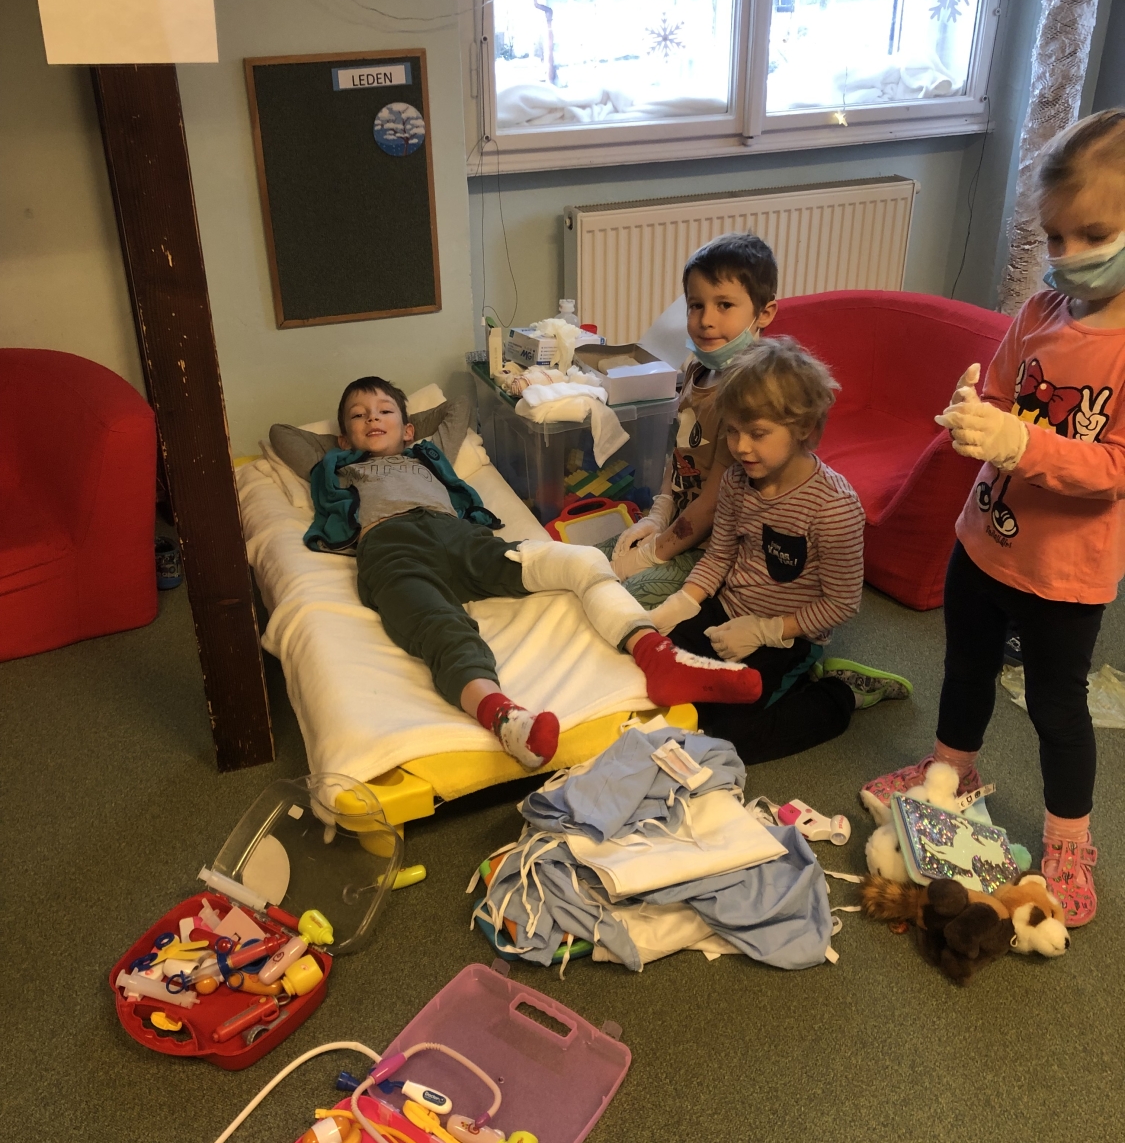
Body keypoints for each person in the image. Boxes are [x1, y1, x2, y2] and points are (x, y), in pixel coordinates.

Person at [862, 108, 1125, 927]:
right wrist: (970, 410)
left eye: (1093, 235)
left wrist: (1019, 442)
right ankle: (951, 771)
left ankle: (1069, 839)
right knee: (965, 668)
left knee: (1056, 707)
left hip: (1063, 573)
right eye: (1054, 237)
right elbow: (1000, 394)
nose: (1068, 255)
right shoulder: (1040, 310)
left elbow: (1113, 469)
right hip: (981, 541)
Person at [310, 376, 767, 771]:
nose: (373, 419)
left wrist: (408, 427)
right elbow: (283, 438)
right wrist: (341, 442)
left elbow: (457, 407)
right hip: (391, 547)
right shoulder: (343, 467)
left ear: (408, 428)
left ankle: (659, 659)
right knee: (441, 626)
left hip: (458, 537)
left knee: (581, 560)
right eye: (359, 416)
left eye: (384, 411)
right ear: (344, 437)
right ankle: (505, 719)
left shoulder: (426, 455)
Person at [642, 337, 912, 764]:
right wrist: (680, 605)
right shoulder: (736, 481)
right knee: (658, 674)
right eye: (733, 431)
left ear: (804, 427)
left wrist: (766, 631)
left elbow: (842, 603)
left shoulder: (834, 508)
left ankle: (838, 692)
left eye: (757, 433)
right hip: (726, 611)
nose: (740, 447)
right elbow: (719, 557)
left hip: (787, 638)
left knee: (733, 737)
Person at [610, 233, 779, 601]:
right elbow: (679, 452)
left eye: (724, 305)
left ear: (764, 313)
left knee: (625, 597)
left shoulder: (749, 394)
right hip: (683, 524)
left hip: (722, 551)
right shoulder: (697, 369)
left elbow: (714, 503)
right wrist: (659, 513)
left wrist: (654, 553)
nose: (706, 321)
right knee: (600, 559)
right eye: (696, 305)